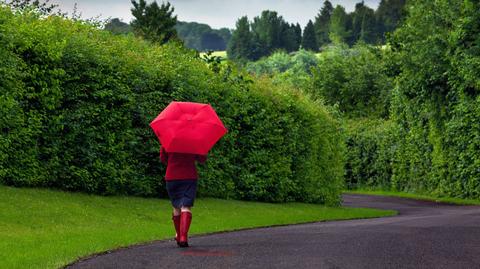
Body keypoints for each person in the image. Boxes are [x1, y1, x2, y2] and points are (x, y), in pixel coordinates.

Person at [160, 146, 206, 248]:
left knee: (176, 206)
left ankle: (179, 235)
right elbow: (202, 159)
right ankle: (183, 237)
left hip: (172, 177)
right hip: (189, 177)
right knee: (186, 206)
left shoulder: (169, 139)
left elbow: (163, 159)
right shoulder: (194, 141)